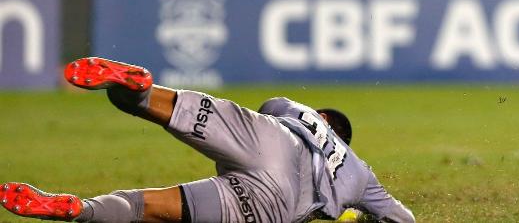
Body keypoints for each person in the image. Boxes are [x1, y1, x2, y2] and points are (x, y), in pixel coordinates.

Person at [1, 57, 415, 222]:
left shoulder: (297, 111)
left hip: (274, 138)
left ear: (325, 120)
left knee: (160, 104)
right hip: (282, 203)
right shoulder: (361, 175)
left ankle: (139, 90)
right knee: (149, 209)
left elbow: (270, 105)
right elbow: (403, 221)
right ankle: (80, 209)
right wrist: (361, 217)